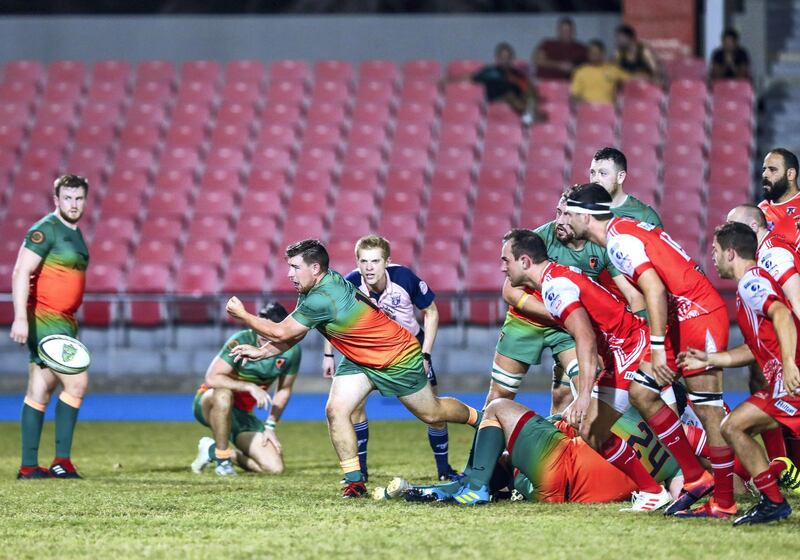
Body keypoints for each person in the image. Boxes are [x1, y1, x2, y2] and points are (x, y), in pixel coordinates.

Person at [225, 239, 481, 498]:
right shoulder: (317, 287)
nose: (289, 274)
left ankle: (480, 420)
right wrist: (262, 351)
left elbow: (281, 331)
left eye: (294, 267)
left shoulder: (323, 297)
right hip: (358, 357)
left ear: (315, 268)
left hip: (396, 355)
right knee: (336, 410)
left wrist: (243, 315)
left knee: (433, 414)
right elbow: (294, 334)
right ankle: (354, 481)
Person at [564, 183, 736, 519]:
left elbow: (654, 289)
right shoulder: (623, 232)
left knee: (709, 412)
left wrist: (657, 347)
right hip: (683, 318)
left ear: (586, 215)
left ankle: (726, 501)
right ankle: (696, 478)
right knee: (642, 393)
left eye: (569, 212)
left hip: (697, 316)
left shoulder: (618, 241)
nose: (565, 219)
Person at [479, 228, 671, 511]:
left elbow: (585, 337)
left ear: (525, 261)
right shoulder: (564, 275)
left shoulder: (555, 284)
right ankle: (684, 482)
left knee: (499, 405)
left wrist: (582, 396)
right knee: (655, 418)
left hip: (628, 353)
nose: (501, 267)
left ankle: (473, 483)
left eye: (506, 260)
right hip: (632, 353)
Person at [679, 222, 800, 525]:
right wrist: (709, 357)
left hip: (790, 382)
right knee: (733, 426)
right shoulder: (751, 284)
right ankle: (772, 500)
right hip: (780, 385)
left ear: (731, 253)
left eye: (716, 251)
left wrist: (789, 364)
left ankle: (772, 498)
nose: (714, 257)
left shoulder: (751, 283)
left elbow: (783, 315)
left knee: (732, 427)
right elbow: (751, 349)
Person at [321, 235, 458, 481]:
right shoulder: (350, 284)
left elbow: (431, 312)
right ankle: (359, 472)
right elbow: (332, 319)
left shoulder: (404, 278)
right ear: (357, 262)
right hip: (371, 351)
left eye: (375, 261)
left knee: (433, 413)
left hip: (409, 351)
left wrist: (425, 353)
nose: (369, 267)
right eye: (363, 261)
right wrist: (328, 354)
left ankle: (444, 470)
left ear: (387, 262)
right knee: (354, 408)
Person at [495, 190, 645, 413]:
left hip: (567, 322)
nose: (560, 221)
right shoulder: (540, 238)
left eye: (567, 215)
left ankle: (569, 445)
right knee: (500, 396)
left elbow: (632, 294)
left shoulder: (602, 245)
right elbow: (510, 292)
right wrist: (559, 314)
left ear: (582, 218)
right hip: (527, 319)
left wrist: (648, 334)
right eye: (558, 213)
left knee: (573, 388)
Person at [10, 175, 90, 479]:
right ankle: (62, 462)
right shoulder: (45, 230)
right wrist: (19, 317)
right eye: (67, 198)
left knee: (41, 388)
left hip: (64, 320)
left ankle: (29, 466)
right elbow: (21, 271)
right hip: (45, 317)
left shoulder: (75, 232)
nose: (73, 204)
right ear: (56, 200)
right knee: (77, 384)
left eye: (78, 198)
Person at [191, 301, 300, 476]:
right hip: (210, 402)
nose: (263, 333)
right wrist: (249, 386)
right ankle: (223, 461)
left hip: (242, 414)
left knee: (274, 468)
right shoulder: (241, 339)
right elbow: (212, 378)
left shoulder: (291, 350)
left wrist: (270, 425)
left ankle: (213, 451)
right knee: (223, 393)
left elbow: (284, 389)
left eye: (269, 329)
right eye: (260, 326)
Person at [450, 42, 537, 125]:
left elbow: (529, 92)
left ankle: (527, 121)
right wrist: (449, 80)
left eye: (508, 58)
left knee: (530, 96)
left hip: (515, 107)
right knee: (509, 96)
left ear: (512, 59)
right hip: (495, 106)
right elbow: (469, 78)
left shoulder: (518, 75)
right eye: (502, 58)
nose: (505, 61)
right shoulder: (489, 72)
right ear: (497, 58)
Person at [590, 147, 663, 227]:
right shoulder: (583, 211)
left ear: (620, 177)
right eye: (592, 172)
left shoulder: (645, 216)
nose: (595, 179)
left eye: (603, 173)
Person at [759, 148, 800, 250]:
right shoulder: (761, 209)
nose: (765, 174)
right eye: (764, 169)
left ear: (790, 174)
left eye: (772, 170)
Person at [570, 40, 628, 105]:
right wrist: (584, 104)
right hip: (587, 108)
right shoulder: (580, 71)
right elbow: (574, 95)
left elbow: (631, 81)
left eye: (596, 52)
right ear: (588, 54)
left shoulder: (613, 69)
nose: (594, 55)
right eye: (591, 52)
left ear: (602, 54)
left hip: (608, 109)